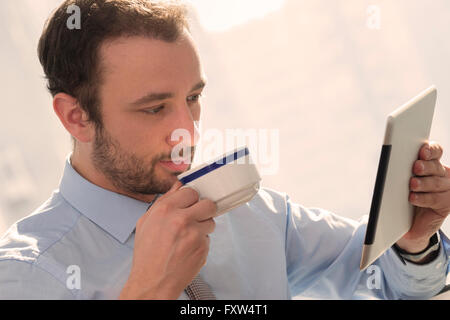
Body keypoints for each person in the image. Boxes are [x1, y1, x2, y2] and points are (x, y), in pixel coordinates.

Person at [0, 0, 449, 300]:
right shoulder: (25, 275)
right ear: (76, 117)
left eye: (192, 98)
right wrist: (148, 290)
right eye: (155, 108)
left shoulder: (249, 212)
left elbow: (384, 281)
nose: (186, 131)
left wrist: (413, 240)